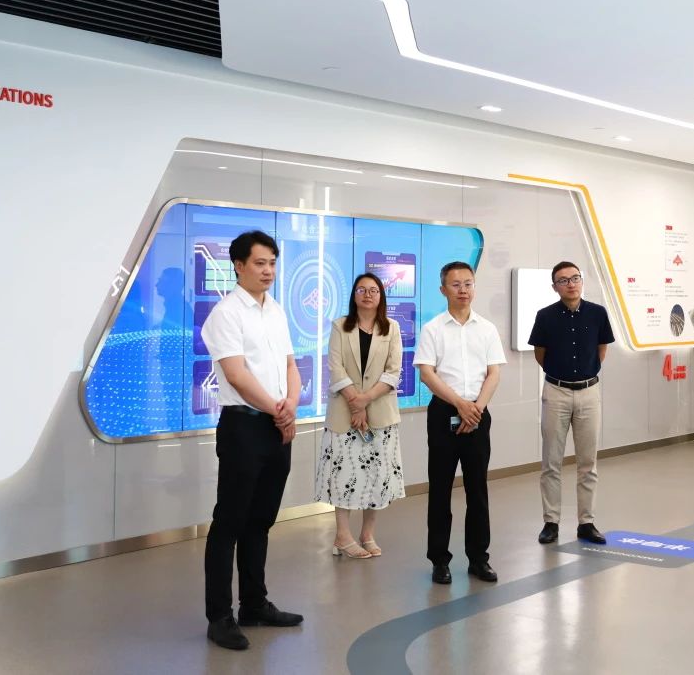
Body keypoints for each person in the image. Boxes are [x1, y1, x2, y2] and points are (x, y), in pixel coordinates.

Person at [199, 230, 303, 651]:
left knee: (261, 520)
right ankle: (219, 617)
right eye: (260, 263)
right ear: (239, 266)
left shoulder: (275, 310)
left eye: (273, 263)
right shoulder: (225, 314)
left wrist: (291, 405)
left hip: (278, 426)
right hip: (243, 426)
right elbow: (237, 375)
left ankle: (254, 604)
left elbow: (291, 365)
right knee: (229, 523)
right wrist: (279, 411)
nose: (268, 271)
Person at [414, 261, 507, 585]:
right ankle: (439, 560)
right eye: (455, 284)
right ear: (443, 290)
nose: (463, 290)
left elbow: (494, 373)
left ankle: (479, 559)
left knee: (477, 490)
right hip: (444, 414)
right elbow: (427, 374)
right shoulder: (433, 329)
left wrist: (475, 409)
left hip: (478, 414)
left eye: (468, 283)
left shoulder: (487, 329)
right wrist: (459, 405)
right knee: (440, 490)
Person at [315, 272, 406, 558]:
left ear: (381, 296)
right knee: (343, 475)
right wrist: (356, 403)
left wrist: (364, 400)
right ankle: (342, 536)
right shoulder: (340, 326)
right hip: (344, 413)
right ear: (354, 295)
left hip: (380, 413)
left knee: (376, 476)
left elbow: (393, 371)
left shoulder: (391, 328)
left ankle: (367, 534)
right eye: (362, 290)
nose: (367, 294)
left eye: (373, 290)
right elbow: (335, 367)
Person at [528, 261, 615, 546]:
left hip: (589, 392)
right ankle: (551, 522)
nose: (571, 284)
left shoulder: (598, 313)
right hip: (556, 391)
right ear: (554, 287)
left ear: (582, 280)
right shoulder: (545, 316)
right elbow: (540, 355)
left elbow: (601, 351)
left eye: (575, 278)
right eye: (563, 280)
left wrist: (584, 374)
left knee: (588, 462)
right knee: (551, 461)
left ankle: (586, 522)